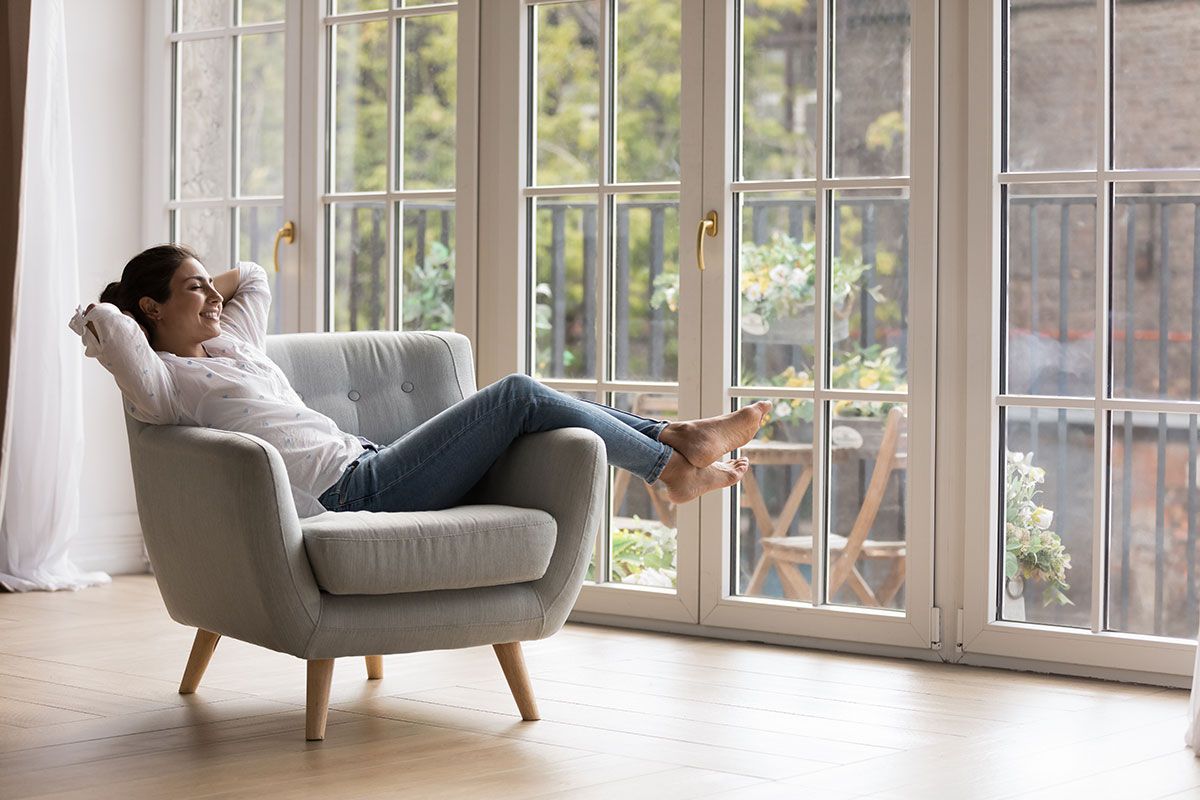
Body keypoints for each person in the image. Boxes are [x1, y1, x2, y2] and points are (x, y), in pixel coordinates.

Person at [69, 244, 769, 518]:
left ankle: (676, 445)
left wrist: (196, 292)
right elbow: (105, 324)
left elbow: (251, 275)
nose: (212, 297)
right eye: (192, 289)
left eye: (206, 285)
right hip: (353, 492)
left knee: (529, 407)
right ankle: (670, 458)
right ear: (151, 309)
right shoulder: (165, 383)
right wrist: (135, 305)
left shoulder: (233, 345)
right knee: (518, 393)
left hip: (372, 463)